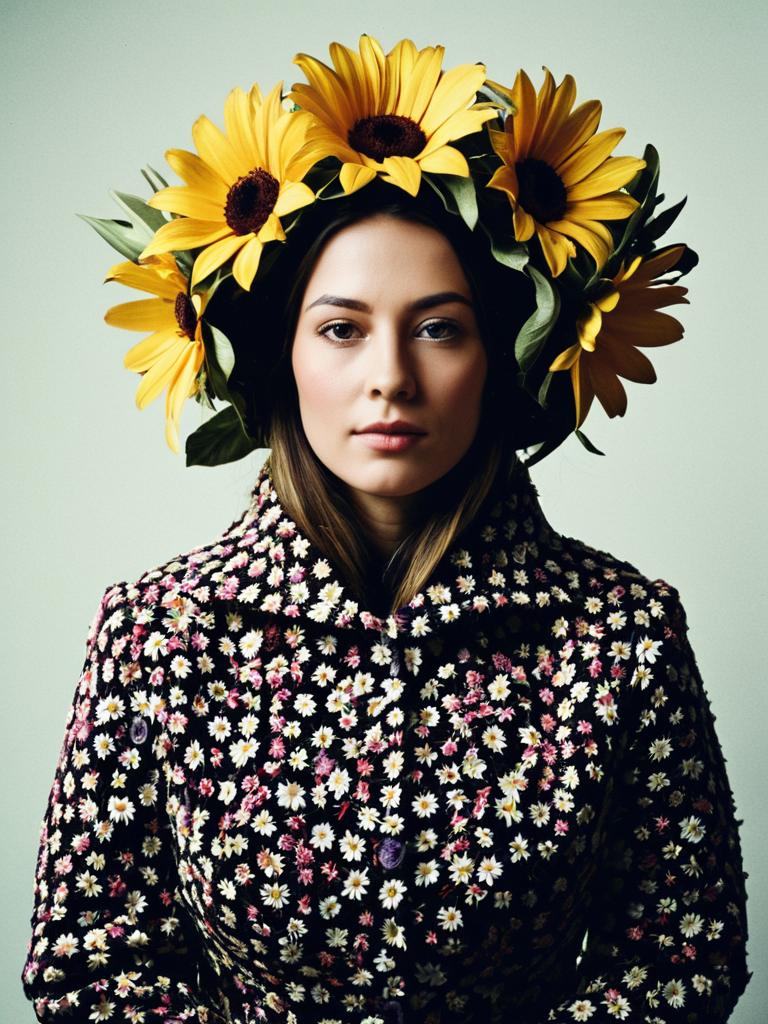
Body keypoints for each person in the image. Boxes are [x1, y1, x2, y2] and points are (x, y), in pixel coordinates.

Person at [22, 35, 750, 1024]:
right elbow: (90, 966)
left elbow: (680, 958)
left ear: (507, 355)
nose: (391, 379)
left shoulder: (623, 633)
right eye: (341, 328)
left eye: (440, 327)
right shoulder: (156, 632)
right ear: (279, 359)